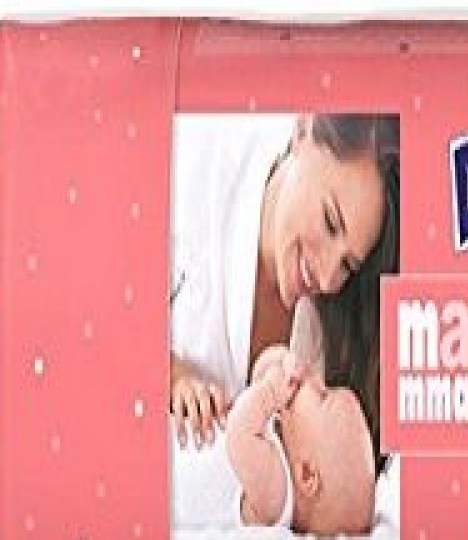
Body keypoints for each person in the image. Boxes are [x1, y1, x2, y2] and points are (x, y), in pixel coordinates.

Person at [170, 112, 399, 476]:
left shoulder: (340, 338)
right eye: (331, 222)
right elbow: (98, 323)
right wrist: (172, 376)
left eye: (348, 265)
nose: (327, 277)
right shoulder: (189, 167)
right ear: (303, 129)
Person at [171, 344, 375, 537]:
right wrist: (281, 361)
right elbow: (258, 376)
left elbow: (240, 433)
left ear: (306, 475)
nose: (315, 381)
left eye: (323, 396)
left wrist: (270, 391)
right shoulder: (280, 442)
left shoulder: (277, 499)